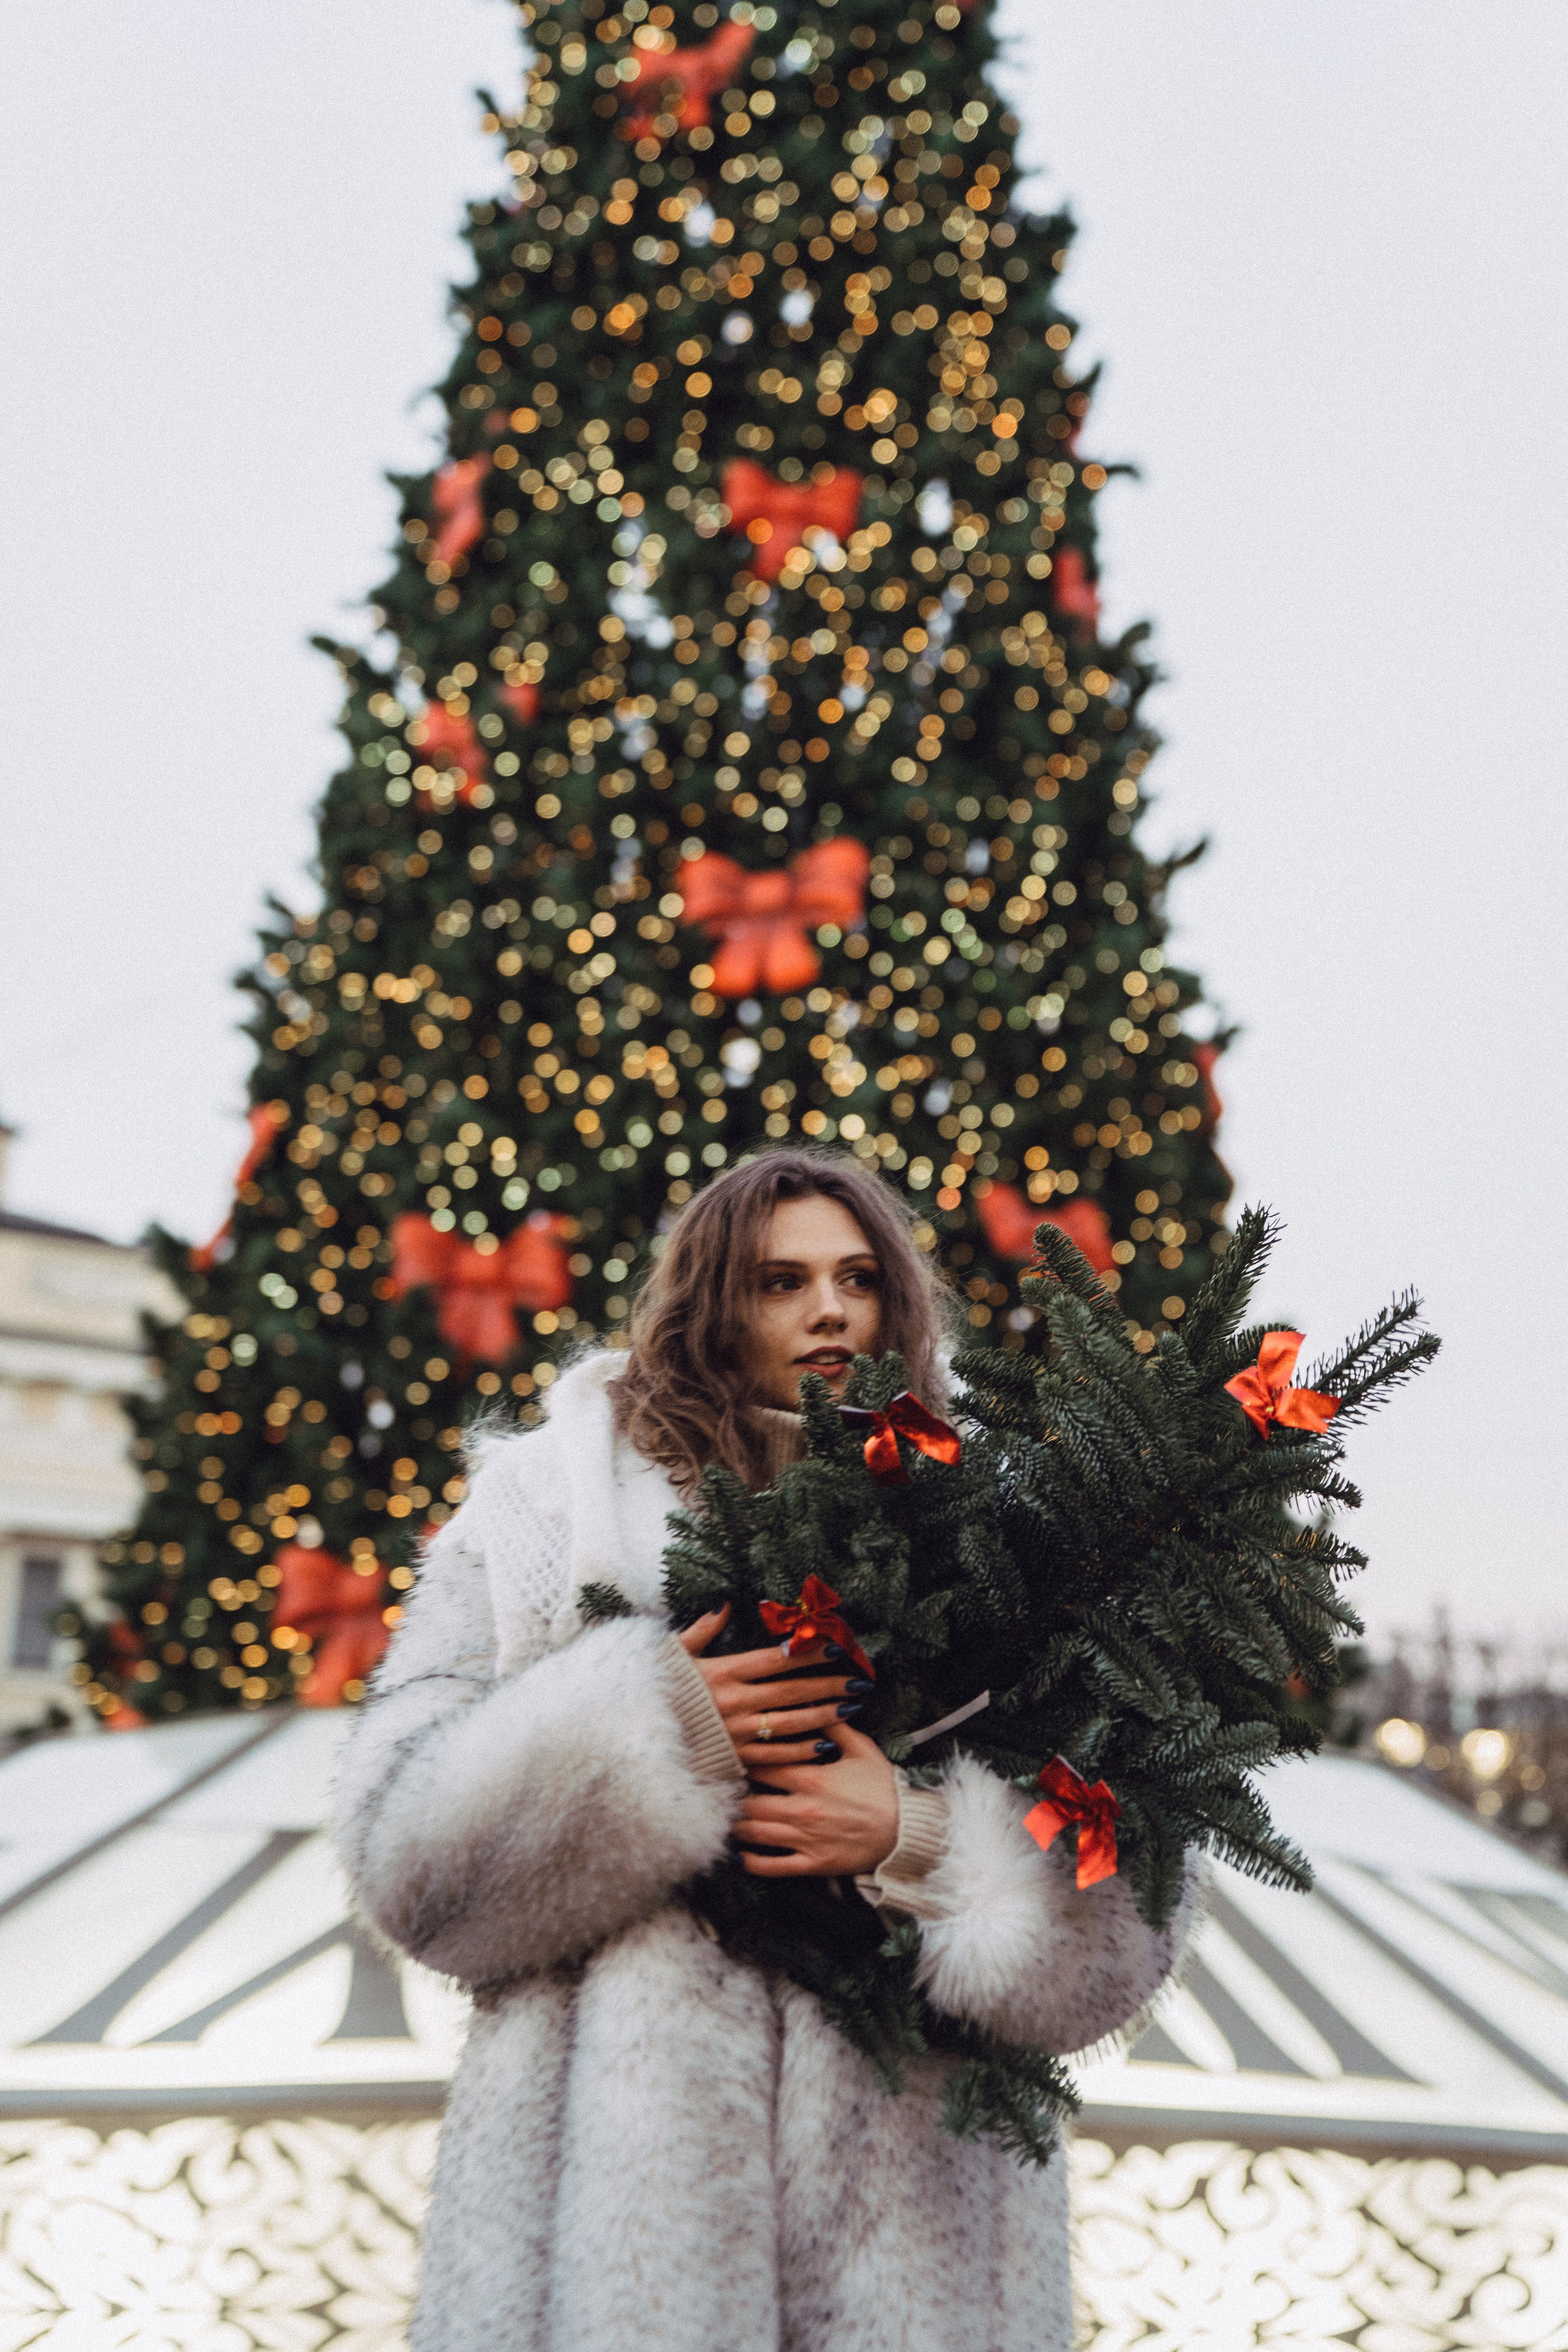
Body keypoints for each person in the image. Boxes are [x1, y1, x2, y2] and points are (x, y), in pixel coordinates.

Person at [336, 1150, 1196, 2351]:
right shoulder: (540, 1510)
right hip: (608, 2253)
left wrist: (923, 1838)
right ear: (712, 1301)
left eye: (855, 1276)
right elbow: (402, 1861)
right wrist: (651, 1725)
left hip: (922, 2252)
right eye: (778, 1280)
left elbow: (1134, 1920)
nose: (827, 1308)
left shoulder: (1000, 1526)